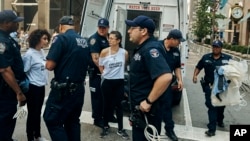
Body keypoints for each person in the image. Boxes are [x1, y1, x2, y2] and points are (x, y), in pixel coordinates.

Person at [125, 15, 173, 141]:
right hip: (140, 112)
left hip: (148, 112)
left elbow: (166, 76)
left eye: (132, 28)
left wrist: (148, 102)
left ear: (143, 31)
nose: (129, 31)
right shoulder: (142, 48)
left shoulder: (150, 49)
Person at [43, 16, 90, 141]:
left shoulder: (60, 38)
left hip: (63, 90)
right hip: (79, 89)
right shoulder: (84, 40)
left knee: (52, 120)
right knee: (72, 122)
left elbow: (49, 66)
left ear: (60, 27)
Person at [192, 40, 232, 137]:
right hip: (209, 86)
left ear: (221, 48)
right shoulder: (206, 58)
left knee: (221, 106)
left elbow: (233, 71)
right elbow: (198, 67)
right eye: (214, 46)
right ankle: (211, 129)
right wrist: (195, 75)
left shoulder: (228, 58)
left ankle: (220, 119)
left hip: (222, 88)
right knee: (212, 106)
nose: (215, 48)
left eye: (217, 47)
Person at [0, 10, 27, 141]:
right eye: (15, 22)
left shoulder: (7, 37)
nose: (17, 25)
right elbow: (4, 69)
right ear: (6, 23)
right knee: (5, 118)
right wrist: (19, 92)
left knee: (8, 118)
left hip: (7, 88)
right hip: (4, 90)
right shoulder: (1, 41)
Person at [98, 31, 129, 139]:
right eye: (109, 38)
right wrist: (104, 74)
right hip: (107, 81)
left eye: (112, 38)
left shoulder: (124, 53)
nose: (109, 40)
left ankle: (120, 129)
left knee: (119, 106)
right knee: (106, 105)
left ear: (118, 40)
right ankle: (105, 126)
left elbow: (124, 65)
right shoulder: (104, 52)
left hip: (119, 82)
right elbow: (100, 65)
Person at [22, 29, 51, 141]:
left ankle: (37, 135)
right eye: (44, 38)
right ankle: (30, 136)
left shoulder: (42, 52)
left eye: (47, 38)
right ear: (37, 39)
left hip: (41, 86)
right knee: (32, 114)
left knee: (38, 112)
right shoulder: (29, 54)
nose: (46, 40)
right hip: (33, 87)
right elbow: (24, 71)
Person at [88, 18, 114, 128]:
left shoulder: (109, 38)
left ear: (108, 28)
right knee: (98, 97)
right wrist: (104, 73)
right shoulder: (94, 39)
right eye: (100, 27)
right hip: (98, 74)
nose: (102, 29)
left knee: (108, 96)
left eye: (104, 27)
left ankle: (108, 115)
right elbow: (96, 59)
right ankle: (97, 119)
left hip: (109, 73)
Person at [159, 29, 185, 141]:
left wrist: (180, 80)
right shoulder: (156, 46)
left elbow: (177, 67)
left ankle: (169, 129)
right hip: (153, 83)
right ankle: (149, 129)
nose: (180, 43)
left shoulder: (176, 51)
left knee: (167, 107)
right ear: (172, 39)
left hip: (167, 84)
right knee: (152, 108)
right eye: (179, 41)